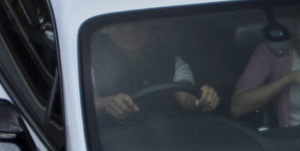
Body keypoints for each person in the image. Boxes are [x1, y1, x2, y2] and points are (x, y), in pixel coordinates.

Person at [90, 18, 219, 119]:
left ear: (150, 23)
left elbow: (185, 96)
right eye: (120, 23)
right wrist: (108, 103)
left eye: (137, 21)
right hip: (114, 144)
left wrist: (201, 100)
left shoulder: (171, 60)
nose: (130, 30)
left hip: (167, 138)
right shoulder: (90, 63)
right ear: (104, 28)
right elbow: (87, 103)